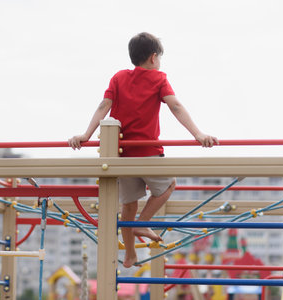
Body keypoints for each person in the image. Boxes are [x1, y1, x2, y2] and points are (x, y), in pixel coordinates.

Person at [68, 32, 218, 268]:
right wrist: (198, 134)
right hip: (148, 152)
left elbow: (103, 106)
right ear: (153, 57)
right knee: (169, 185)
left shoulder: (118, 78)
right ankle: (143, 222)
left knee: (128, 205)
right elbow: (175, 106)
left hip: (122, 155)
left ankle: (130, 254)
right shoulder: (158, 78)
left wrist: (85, 135)